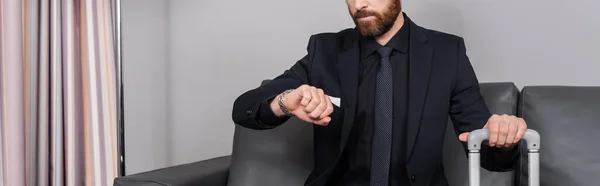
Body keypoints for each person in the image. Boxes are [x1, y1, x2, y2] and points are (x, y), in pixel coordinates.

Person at [232, 0, 527, 185]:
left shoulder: (447, 52)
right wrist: (284, 102)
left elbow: (490, 157)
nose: (360, 4)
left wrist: (503, 138)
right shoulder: (325, 50)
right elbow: (244, 109)